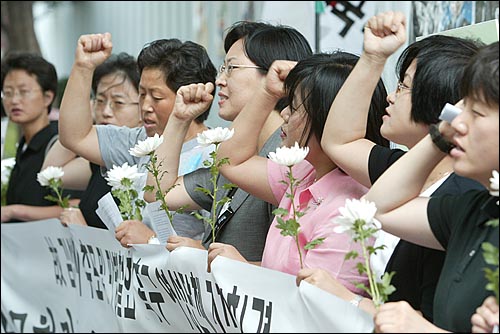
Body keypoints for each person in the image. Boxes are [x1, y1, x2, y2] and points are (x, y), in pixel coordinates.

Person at [303, 11, 483, 319]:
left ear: (440, 103)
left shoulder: (463, 196)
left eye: (403, 87)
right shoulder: (404, 170)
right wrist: (373, 57)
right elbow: (339, 142)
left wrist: (349, 300)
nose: (389, 96)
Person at [195, 51, 389, 294]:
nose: (284, 114)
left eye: (295, 107)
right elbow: (231, 160)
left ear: (329, 119)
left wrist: (243, 271)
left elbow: (314, 303)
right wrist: (267, 92)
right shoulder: (305, 172)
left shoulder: (350, 209)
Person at [144, 21, 314, 262]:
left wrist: (210, 260)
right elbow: (158, 194)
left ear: (277, 73)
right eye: (222, 68)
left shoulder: (292, 158)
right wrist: (179, 119)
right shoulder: (231, 154)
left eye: (231, 68)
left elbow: (296, 272)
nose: (220, 80)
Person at [367, 41, 498, 332]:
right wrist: (439, 137)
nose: (458, 123)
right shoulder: (476, 210)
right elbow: (378, 209)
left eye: (476, 113)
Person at [58, 32, 217, 243]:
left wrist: (152, 240)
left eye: (157, 97)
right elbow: (74, 137)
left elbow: (216, 246)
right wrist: (83, 68)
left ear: (189, 95)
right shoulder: (139, 141)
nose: (145, 106)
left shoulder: (213, 154)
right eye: (141, 94)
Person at [43, 52, 142, 229]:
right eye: (101, 100)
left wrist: (83, 230)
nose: (106, 111)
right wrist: (82, 122)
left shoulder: (148, 165)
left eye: (118, 103)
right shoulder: (101, 161)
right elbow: (50, 174)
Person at [1, 52, 81, 223]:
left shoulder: (61, 145)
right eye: (7, 92)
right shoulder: (24, 146)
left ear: (48, 97)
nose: (14, 100)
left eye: (23, 92)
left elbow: (76, 204)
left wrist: (14, 211)